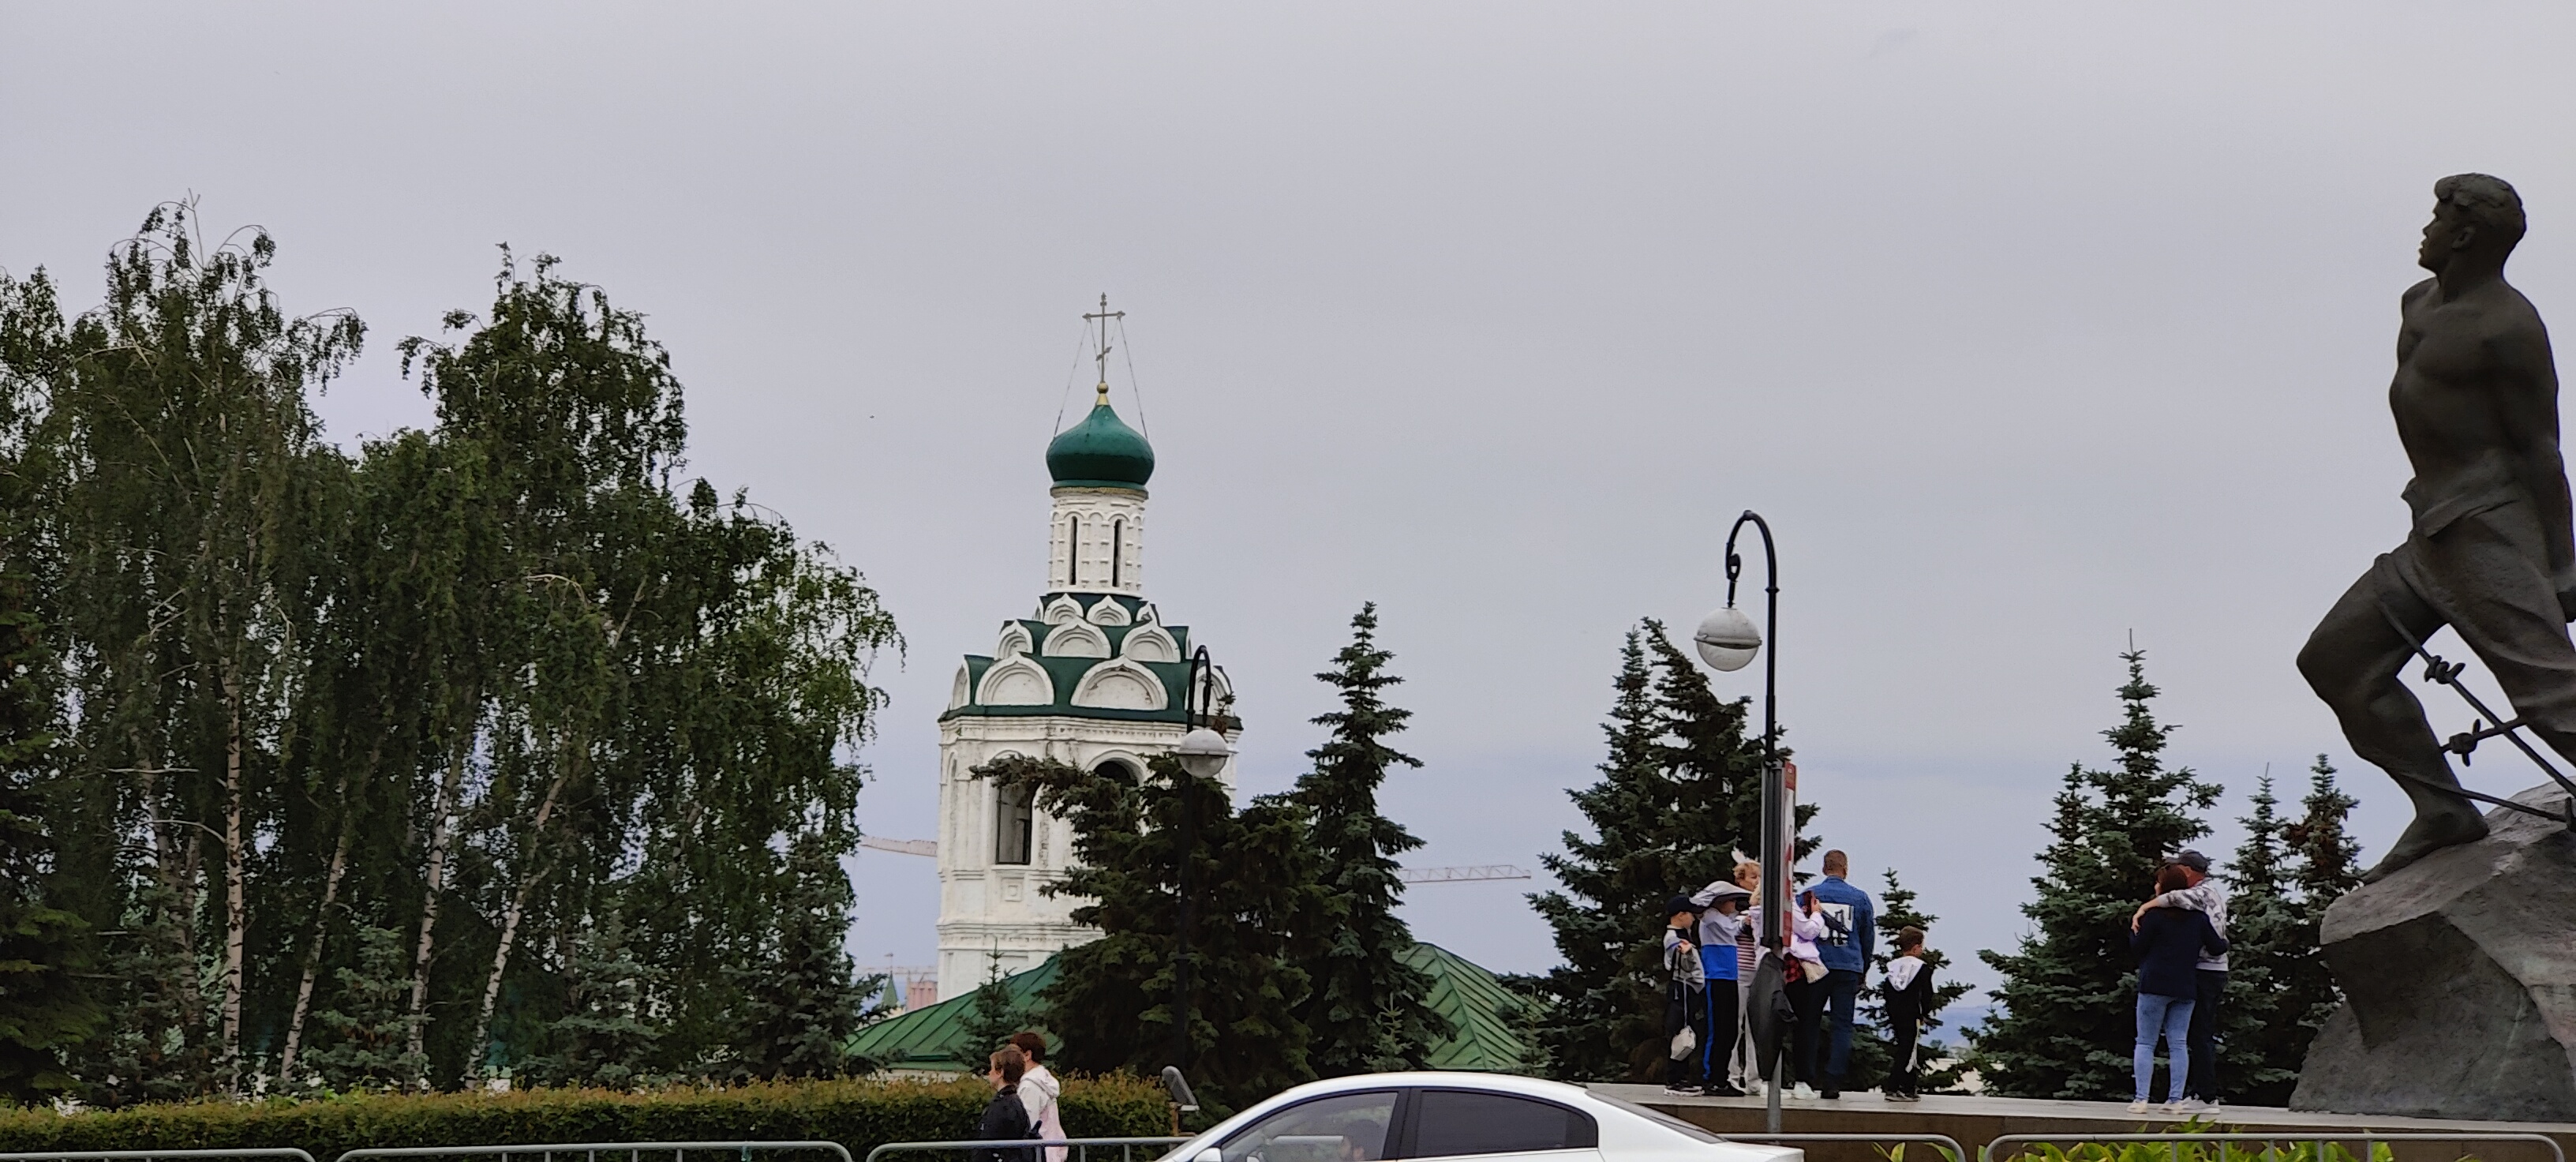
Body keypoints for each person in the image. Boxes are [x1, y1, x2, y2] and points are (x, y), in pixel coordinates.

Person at [2298, 173, 2572, 882]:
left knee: (2554, 702)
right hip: (2432, 532)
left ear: (2467, 234)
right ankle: (2444, 811)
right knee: (2337, 664)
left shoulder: (2508, 327)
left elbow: (2541, 448)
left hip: (2489, 528)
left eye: (2437, 217)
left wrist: (2564, 563)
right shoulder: (2416, 304)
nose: (2424, 230)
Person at [2132, 851, 2228, 1111]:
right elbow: (2217, 944)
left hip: (2197, 974)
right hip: (2188, 981)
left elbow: (2172, 898)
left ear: (2188, 871)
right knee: (2182, 1041)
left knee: (2154, 1040)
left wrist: (2144, 908)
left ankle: (2202, 1096)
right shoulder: (2196, 914)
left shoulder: (2202, 893)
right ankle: (2180, 1097)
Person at [1807, 849, 1878, 1099]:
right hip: (1848, 966)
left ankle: (1806, 1078)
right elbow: (1868, 937)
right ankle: (1833, 1081)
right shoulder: (1860, 898)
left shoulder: (1809, 895)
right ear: (1845, 868)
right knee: (1842, 1026)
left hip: (1815, 966)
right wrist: (1863, 968)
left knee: (1810, 1021)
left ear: (1824, 868)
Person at [1688, 878, 1751, 1096]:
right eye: (1730, 899)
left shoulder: (1724, 918)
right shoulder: (1710, 918)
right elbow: (1696, 903)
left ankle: (1721, 1077)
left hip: (1729, 978)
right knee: (1719, 1031)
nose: (1734, 903)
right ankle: (1712, 1078)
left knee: (1730, 1031)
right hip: (1716, 978)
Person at [1781, 887, 1830, 1099]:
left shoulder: (1767, 907)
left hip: (1785, 967)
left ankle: (1779, 1077)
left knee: (1789, 1025)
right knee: (1805, 1025)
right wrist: (1817, 914)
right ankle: (1802, 1079)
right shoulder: (1787, 904)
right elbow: (1808, 931)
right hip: (1800, 968)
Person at [1662, 894, 1709, 1095]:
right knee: (1680, 1032)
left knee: (1687, 1030)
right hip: (1681, 988)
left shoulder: (1685, 934)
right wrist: (1686, 952)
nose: (1694, 918)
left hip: (1689, 988)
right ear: (1681, 915)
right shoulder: (1674, 938)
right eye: (1691, 914)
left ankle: (1682, 1077)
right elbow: (1685, 963)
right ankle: (1675, 1080)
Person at [1881, 926, 1934, 1103]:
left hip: (1896, 1014)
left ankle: (1909, 1087)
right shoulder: (1922, 968)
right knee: (1908, 1050)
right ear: (1916, 947)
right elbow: (1926, 994)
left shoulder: (1893, 967)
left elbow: (1887, 992)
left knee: (1907, 1049)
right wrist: (1924, 1013)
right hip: (1912, 1014)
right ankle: (1894, 1087)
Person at [1010, 1031, 1067, 1162]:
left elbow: (1027, 1124)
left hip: (1038, 1154)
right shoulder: (1043, 1080)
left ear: (1027, 1055)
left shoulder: (1030, 1086)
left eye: (1015, 1054)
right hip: (1049, 1151)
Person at [976, 1046, 1038, 1162]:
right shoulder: (1016, 1101)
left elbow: (989, 1141)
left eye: (992, 1068)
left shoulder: (1002, 1105)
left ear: (1000, 1072)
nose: (989, 1073)